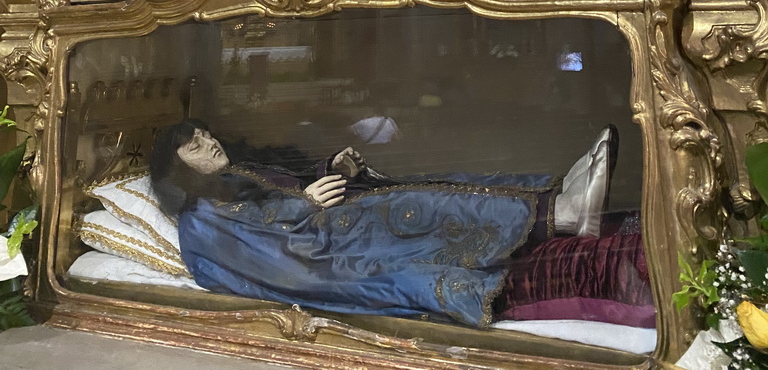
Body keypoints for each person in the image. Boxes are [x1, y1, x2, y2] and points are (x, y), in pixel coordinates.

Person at [150, 121, 618, 328]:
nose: (209, 144)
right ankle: (563, 216)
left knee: (435, 183)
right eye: (194, 146)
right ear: (179, 171)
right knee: (421, 205)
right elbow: (272, 257)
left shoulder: (234, 174)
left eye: (206, 134)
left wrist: (329, 168)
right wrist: (305, 205)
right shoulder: (200, 221)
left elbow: (282, 185)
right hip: (326, 245)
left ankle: (552, 198)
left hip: (334, 218)